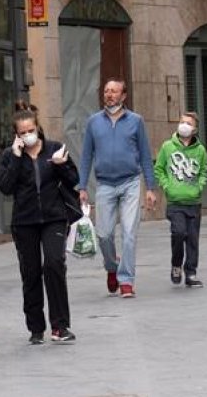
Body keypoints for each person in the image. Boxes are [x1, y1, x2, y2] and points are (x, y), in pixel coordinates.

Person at [0, 109, 78, 344]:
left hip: (54, 217)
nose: (28, 135)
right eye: (22, 133)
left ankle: (60, 326)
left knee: (54, 264)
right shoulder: (9, 155)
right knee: (30, 272)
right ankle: (35, 327)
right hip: (24, 221)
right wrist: (14, 157)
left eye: (31, 131)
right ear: (16, 135)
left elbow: (74, 179)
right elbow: (5, 187)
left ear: (38, 128)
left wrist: (62, 165)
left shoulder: (55, 149)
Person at [78, 79, 156, 299]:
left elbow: (145, 155)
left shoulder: (136, 121)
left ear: (123, 96)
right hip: (104, 184)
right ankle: (112, 267)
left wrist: (150, 187)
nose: (109, 94)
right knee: (103, 235)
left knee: (130, 233)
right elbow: (86, 156)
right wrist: (82, 186)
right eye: (106, 91)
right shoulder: (94, 122)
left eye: (114, 91)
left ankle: (127, 280)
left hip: (131, 182)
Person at [154, 112, 207, 288]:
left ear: (195, 129)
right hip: (175, 202)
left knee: (192, 238)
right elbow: (159, 168)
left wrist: (199, 186)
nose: (184, 125)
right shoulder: (168, 147)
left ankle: (191, 272)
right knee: (179, 233)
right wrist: (166, 186)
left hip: (193, 201)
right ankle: (176, 264)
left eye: (188, 123)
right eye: (182, 122)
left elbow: (204, 171)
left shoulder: (200, 150)